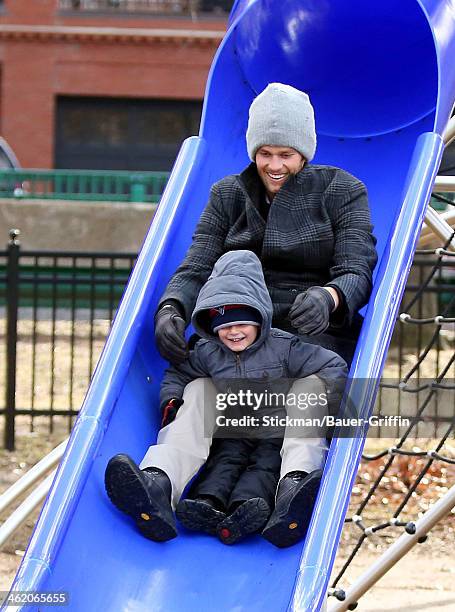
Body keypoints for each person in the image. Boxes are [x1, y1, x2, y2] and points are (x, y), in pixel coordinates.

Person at [105, 250, 348, 547]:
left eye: (241, 322)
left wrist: (326, 412)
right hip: (232, 428)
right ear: (210, 326)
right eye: (223, 325)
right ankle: (159, 484)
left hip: (280, 430)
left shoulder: (284, 347)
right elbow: (179, 374)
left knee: (302, 401)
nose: (233, 332)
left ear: (260, 317)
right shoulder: (207, 353)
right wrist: (171, 403)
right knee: (198, 390)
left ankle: (294, 488)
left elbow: (332, 365)